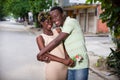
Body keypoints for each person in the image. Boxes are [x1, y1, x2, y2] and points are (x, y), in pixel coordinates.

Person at [37, 6, 89, 80]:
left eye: (56, 16)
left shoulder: (71, 22)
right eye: (52, 18)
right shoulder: (61, 28)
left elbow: (56, 41)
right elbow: (63, 46)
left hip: (80, 64)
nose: (54, 20)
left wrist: (40, 53)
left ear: (63, 14)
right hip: (70, 65)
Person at [36, 12, 74, 80]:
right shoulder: (40, 38)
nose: (50, 23)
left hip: (64, 66)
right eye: (47, 21)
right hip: (53, 68)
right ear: (42, 23)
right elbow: (45, 54)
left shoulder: (58, 31)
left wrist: (67, 56)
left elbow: (64, 45)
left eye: (51, 20)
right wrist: (62, 60)